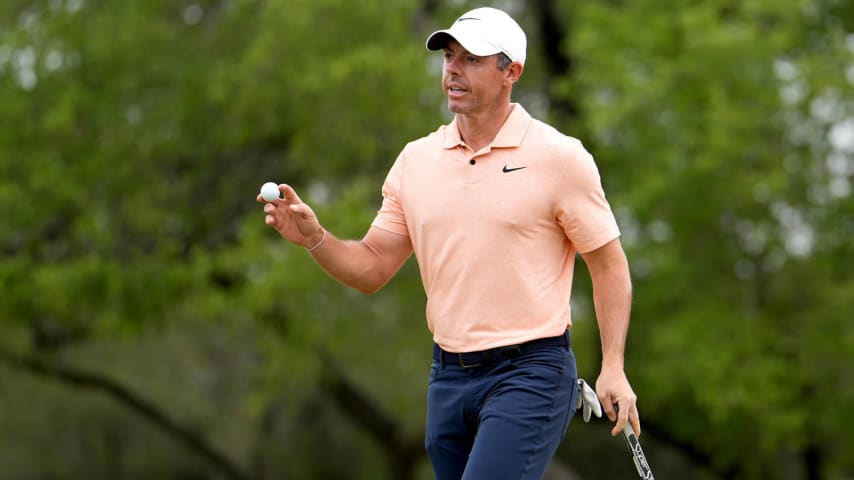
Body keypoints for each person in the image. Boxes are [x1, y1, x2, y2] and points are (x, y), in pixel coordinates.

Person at [258, 6, 640, 480]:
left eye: (472, 60)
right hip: (448, 378)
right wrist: (316, 239)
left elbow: (608, 265)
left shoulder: (560, 158)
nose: (454, 70)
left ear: (511, 72)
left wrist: (614, 366)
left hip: (531, 372)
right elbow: (373, 266)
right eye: (449, 57)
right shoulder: (415, 162)